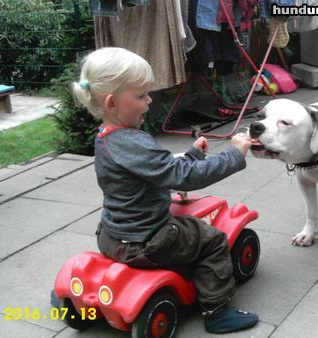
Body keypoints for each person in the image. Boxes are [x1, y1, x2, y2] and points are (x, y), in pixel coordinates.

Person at [72, 47, 258, 334]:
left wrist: (192, 155)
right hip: (147, 239)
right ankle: (217, 310)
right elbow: (182, 177)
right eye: (141, 96)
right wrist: (234, 155)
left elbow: (154, 170)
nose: (149, 102)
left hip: (111, 236)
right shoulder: (134, 142)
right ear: (112, 102)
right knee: (211, 240)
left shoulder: (105, 138)